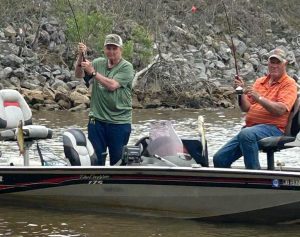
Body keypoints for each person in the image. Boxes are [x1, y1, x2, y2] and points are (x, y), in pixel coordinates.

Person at [213, 48, 297, 169]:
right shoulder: (260, 82)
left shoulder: (289, 84)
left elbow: (280, 110)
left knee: (246, 134)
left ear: (285, 64)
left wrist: (259, 98)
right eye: (271, 62)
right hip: (251, 128)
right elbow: (246, 108)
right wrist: (240, 92)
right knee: (219, 159)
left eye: (277, 62)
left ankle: (255, 176)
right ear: (268, 64)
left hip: (275, 129)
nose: (274, 65)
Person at [75, 34, 135, 166]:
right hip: (97, 121)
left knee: (118, 162)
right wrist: (80, 56)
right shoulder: (97, 63)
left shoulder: (127, 67)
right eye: (109, 48)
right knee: (96, 161)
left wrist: (94, 73)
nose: (111, 51)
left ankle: (117, 185)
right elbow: (78, 75)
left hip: (119, 123)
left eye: (115, 48)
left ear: (121, 50)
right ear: (104, 49)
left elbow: (112, 85)